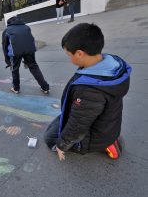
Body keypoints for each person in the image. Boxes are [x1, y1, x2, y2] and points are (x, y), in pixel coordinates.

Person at [44, 23, 131, 160]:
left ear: (79, 53)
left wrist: (61, 145)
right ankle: (109, 138)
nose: (69, 58)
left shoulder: (89, 91)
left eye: (69, 55)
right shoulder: (109, 65)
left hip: (93, 135)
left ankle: (108, 144)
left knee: (49, 138)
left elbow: (78, 127)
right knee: (60, 121)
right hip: (105, 123)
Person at [2, 16, 50, 94]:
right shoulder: (26, 27)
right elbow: (30, 39)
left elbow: (4, 46)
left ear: (9, 23)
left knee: (15, 70)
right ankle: (45, 88)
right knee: (34, 67)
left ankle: (16, 88)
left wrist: (7, 60)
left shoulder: (6, 30)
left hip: (15, 52)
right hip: (30, 50)